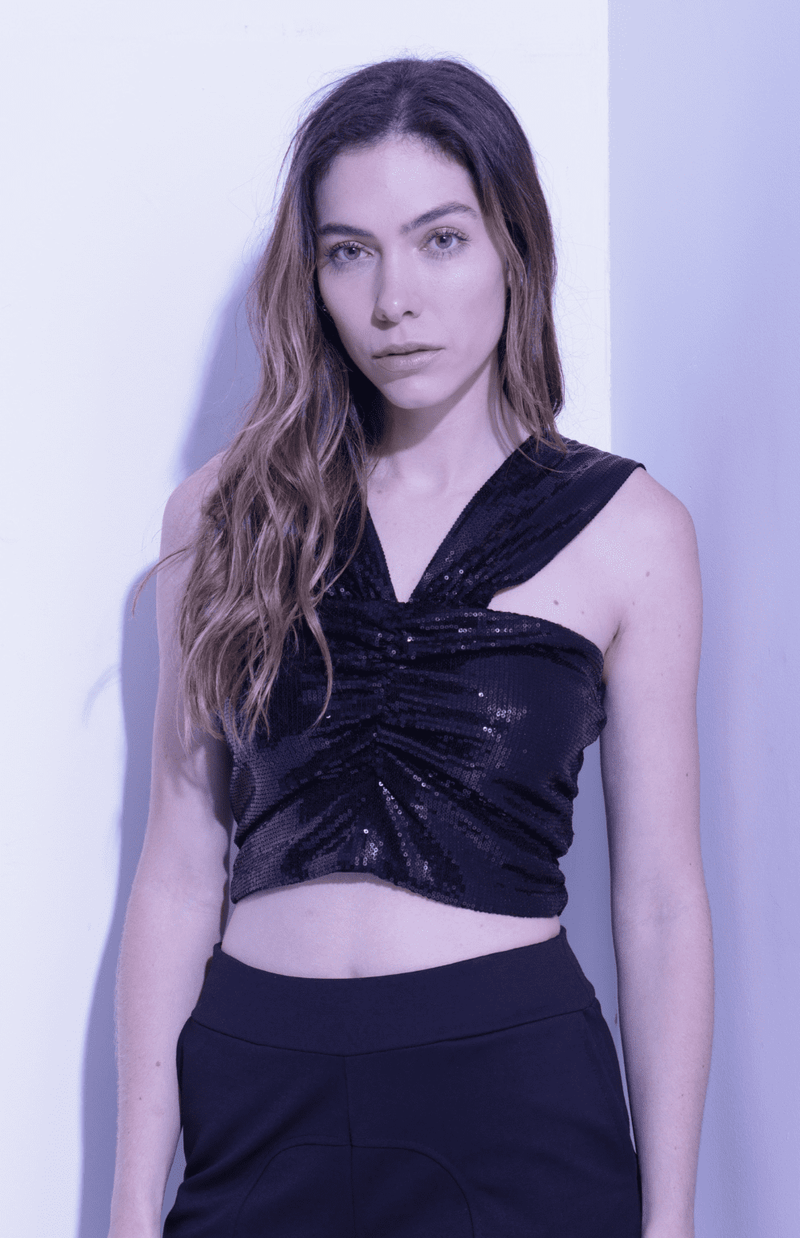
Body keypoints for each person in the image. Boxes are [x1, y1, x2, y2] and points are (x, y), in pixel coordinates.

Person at [107, 57, 714, 1238]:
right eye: (350, 251)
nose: (394, 299)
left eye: (439, 240)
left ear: (511, 248)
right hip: (257, 1095)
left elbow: (657, 899)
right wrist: (132, 1204)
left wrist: (672, 1219)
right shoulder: (223, 514)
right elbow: (177, 871)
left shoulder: (630, 530)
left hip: (511, 1096)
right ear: (313, 276)